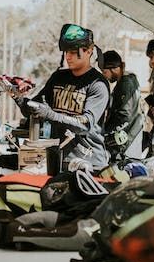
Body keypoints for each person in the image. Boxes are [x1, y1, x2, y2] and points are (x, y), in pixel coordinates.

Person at [13, 24, 111, 172]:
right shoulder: (58, 77)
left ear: (89, 51)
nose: (68, 56)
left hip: (89, 163)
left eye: (73, 52)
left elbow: (84, 125)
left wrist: (50, 114)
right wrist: (18, 96)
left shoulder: (98, 84)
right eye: (66, 52)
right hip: (58, 160)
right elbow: (33, 110)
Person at [99, 50, 144, 163]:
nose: (105, 76)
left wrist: (103, 132)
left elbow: (124, 115)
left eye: (104, 72)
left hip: (125, 142)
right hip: (132, 137)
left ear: (114, 68)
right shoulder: (131, 80)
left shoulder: (125, 84)